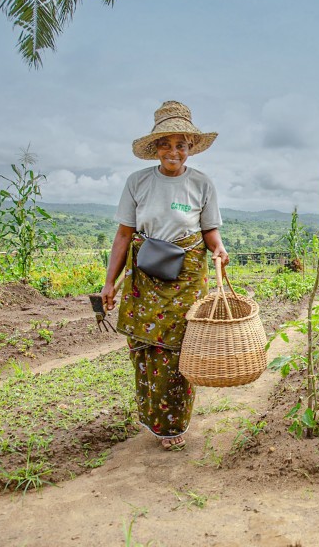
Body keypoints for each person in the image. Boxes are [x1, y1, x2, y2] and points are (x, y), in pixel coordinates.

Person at [101, 101, 229, 451]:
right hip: (146, 277)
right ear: (155, 148)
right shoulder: (137, 182)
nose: (174, 152)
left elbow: (209, 232)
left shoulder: (202, 183)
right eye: (166, 144)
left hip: (186, 277)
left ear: (189, 148)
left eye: (181, 145)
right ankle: (151, 415)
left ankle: (174, 425)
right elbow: (125, 235)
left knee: (178, 352)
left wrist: (218, 249)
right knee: (144, 350)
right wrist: (109, 282)